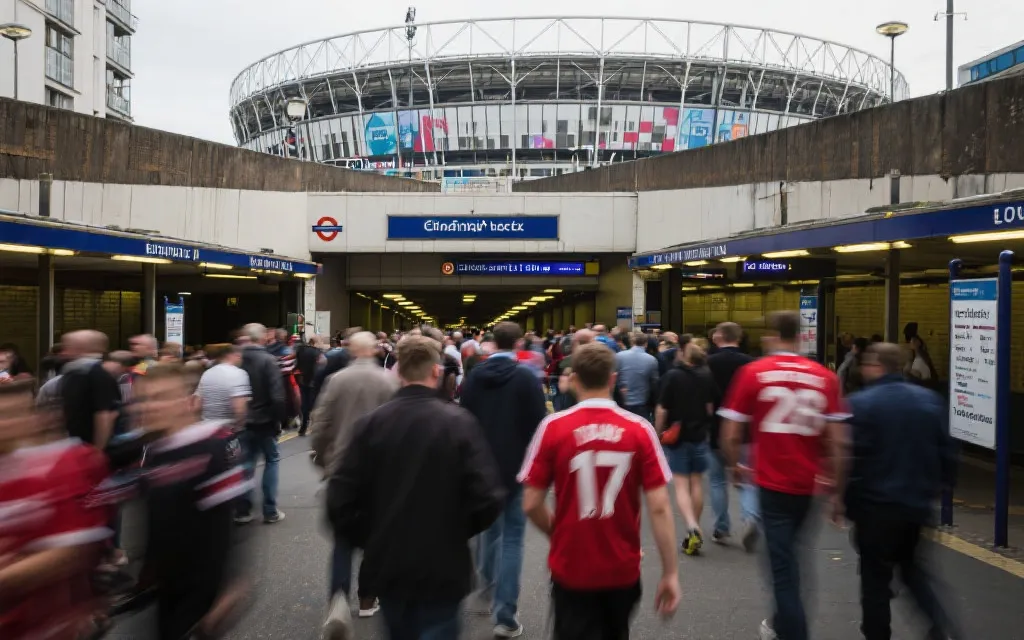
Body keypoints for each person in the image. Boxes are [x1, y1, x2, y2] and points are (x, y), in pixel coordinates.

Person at [327, 335, 505, 640]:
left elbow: (340, 499)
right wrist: (457, 530)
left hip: (389, 562)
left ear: (398, 371)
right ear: (436, 371)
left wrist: (370, 536)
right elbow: (488, 498)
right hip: (444, 563)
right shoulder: (459, 423)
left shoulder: (370, 425)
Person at [519, 343, 681, 639]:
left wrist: (560, 533)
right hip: (622, 566)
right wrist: (670, 573)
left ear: (574, 379)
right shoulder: (639, 429)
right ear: (613, 379)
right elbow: (659, 507)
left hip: (572, 565)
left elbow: (531, 503)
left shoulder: (554, 427)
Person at [719, 311, 849, 640]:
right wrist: (837, 491)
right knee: (794, 554)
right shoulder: (825, 377)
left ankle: (791, 630)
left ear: (772, 335)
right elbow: (838, 442)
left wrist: (735, 467)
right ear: (802, 336)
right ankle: (781, 620)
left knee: (782, 566)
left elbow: (731, 433)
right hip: (808, 486)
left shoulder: (754, 373)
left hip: (771, 483)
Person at [844, 343, 961, 640]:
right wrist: (941, 485)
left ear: (876, 366)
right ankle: (940, 626)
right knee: (912, 570)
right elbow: (947, 453)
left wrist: (846, 503)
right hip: (916, 506)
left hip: (875, 508)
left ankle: (877, 634)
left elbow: (853, 459)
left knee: (874, 580)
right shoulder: (929, 401)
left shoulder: (862, 403)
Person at [131, 363, 251, 640]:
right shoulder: (153, 451)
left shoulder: (213, 448)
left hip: (202, 594)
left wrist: (231, 587)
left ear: (189, 402)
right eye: (143, 399)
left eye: (161, 397)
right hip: (165, 589)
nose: (149, 406)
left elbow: (232, 524)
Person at [0, 379, 112, 640]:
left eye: (11, 415)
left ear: (34, 418)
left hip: (46, 626)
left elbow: (67, 555)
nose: (3, 424)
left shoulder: (63, 465)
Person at [459, 321, 548, 637]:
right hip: (518, 468)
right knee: (513, 539)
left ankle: (487, 579)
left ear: (493, 342)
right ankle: (505, 615)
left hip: (482, 468)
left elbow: (463, 421)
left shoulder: (474, 377)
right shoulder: (525, 378)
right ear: (520, 342)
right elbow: (540, 427)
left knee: (489, 531)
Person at [312, 332, 400, 633]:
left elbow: (321, 424)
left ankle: (338, 600)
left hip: (342, 471)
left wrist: (324, 459)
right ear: (374, 350)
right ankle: (367, 599)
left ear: (350, 350)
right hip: (378, 473)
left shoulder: (336, 380)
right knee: (375, 540)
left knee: (342, 541)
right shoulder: (389, 381)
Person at [655, 340, 718, 556]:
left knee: (681, 485)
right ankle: (696, 528)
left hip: (677, 435)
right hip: (699, 435)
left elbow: (662, 408)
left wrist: (657, 432)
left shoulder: (673, 376)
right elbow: (710, 407)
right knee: (697, 482)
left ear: (685, 356)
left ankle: (691, 527)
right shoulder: (707, 375)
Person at [706, 322, 757, 550]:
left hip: (715, 428)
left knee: (717, 481)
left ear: (720, 336)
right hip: (745, 429)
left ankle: (721, 526)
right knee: (747, 480)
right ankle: (750, 518)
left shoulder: (709, 362)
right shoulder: (751, 364)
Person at [236, 323, 287, 525]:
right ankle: (270, 510)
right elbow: (277, 395)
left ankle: (243, 510)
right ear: (263, 337)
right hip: (265, 419)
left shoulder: (237, 359)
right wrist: (279, 420)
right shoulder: (268, 360)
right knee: (271, 461)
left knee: (246, 465)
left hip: (243, 420)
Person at [59, 330, 121, 451]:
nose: (63, 352)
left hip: (90, 447)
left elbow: (105, 414)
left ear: (80, 348)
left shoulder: (97, 374)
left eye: (68, 346)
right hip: (77, 446)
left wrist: (98, 450)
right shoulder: (75, 373)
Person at [196, 343, 251, 429]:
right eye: (239, 356)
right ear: (232, 355)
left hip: (206, 429)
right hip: (226, 430)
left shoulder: (207, 373)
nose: (241, 360)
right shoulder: (238, 373)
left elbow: (197, 403)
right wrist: (239, 427)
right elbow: (239, 408)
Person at [614, 331, 660, 421]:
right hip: (642, 403)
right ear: (646, 343)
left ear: (631, 342)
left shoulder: (619, 356)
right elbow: (654, 383)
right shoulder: (651, 360)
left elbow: (614, 378)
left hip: (622, 402)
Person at [295, 336, 322, 436]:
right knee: (314, 404)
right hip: (313, 380)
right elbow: (319, 366)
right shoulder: (317, 352)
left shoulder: (300, 350)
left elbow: (297, 364)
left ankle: (303, 426)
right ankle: (315, 426)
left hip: (303, 379)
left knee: (304, 404)